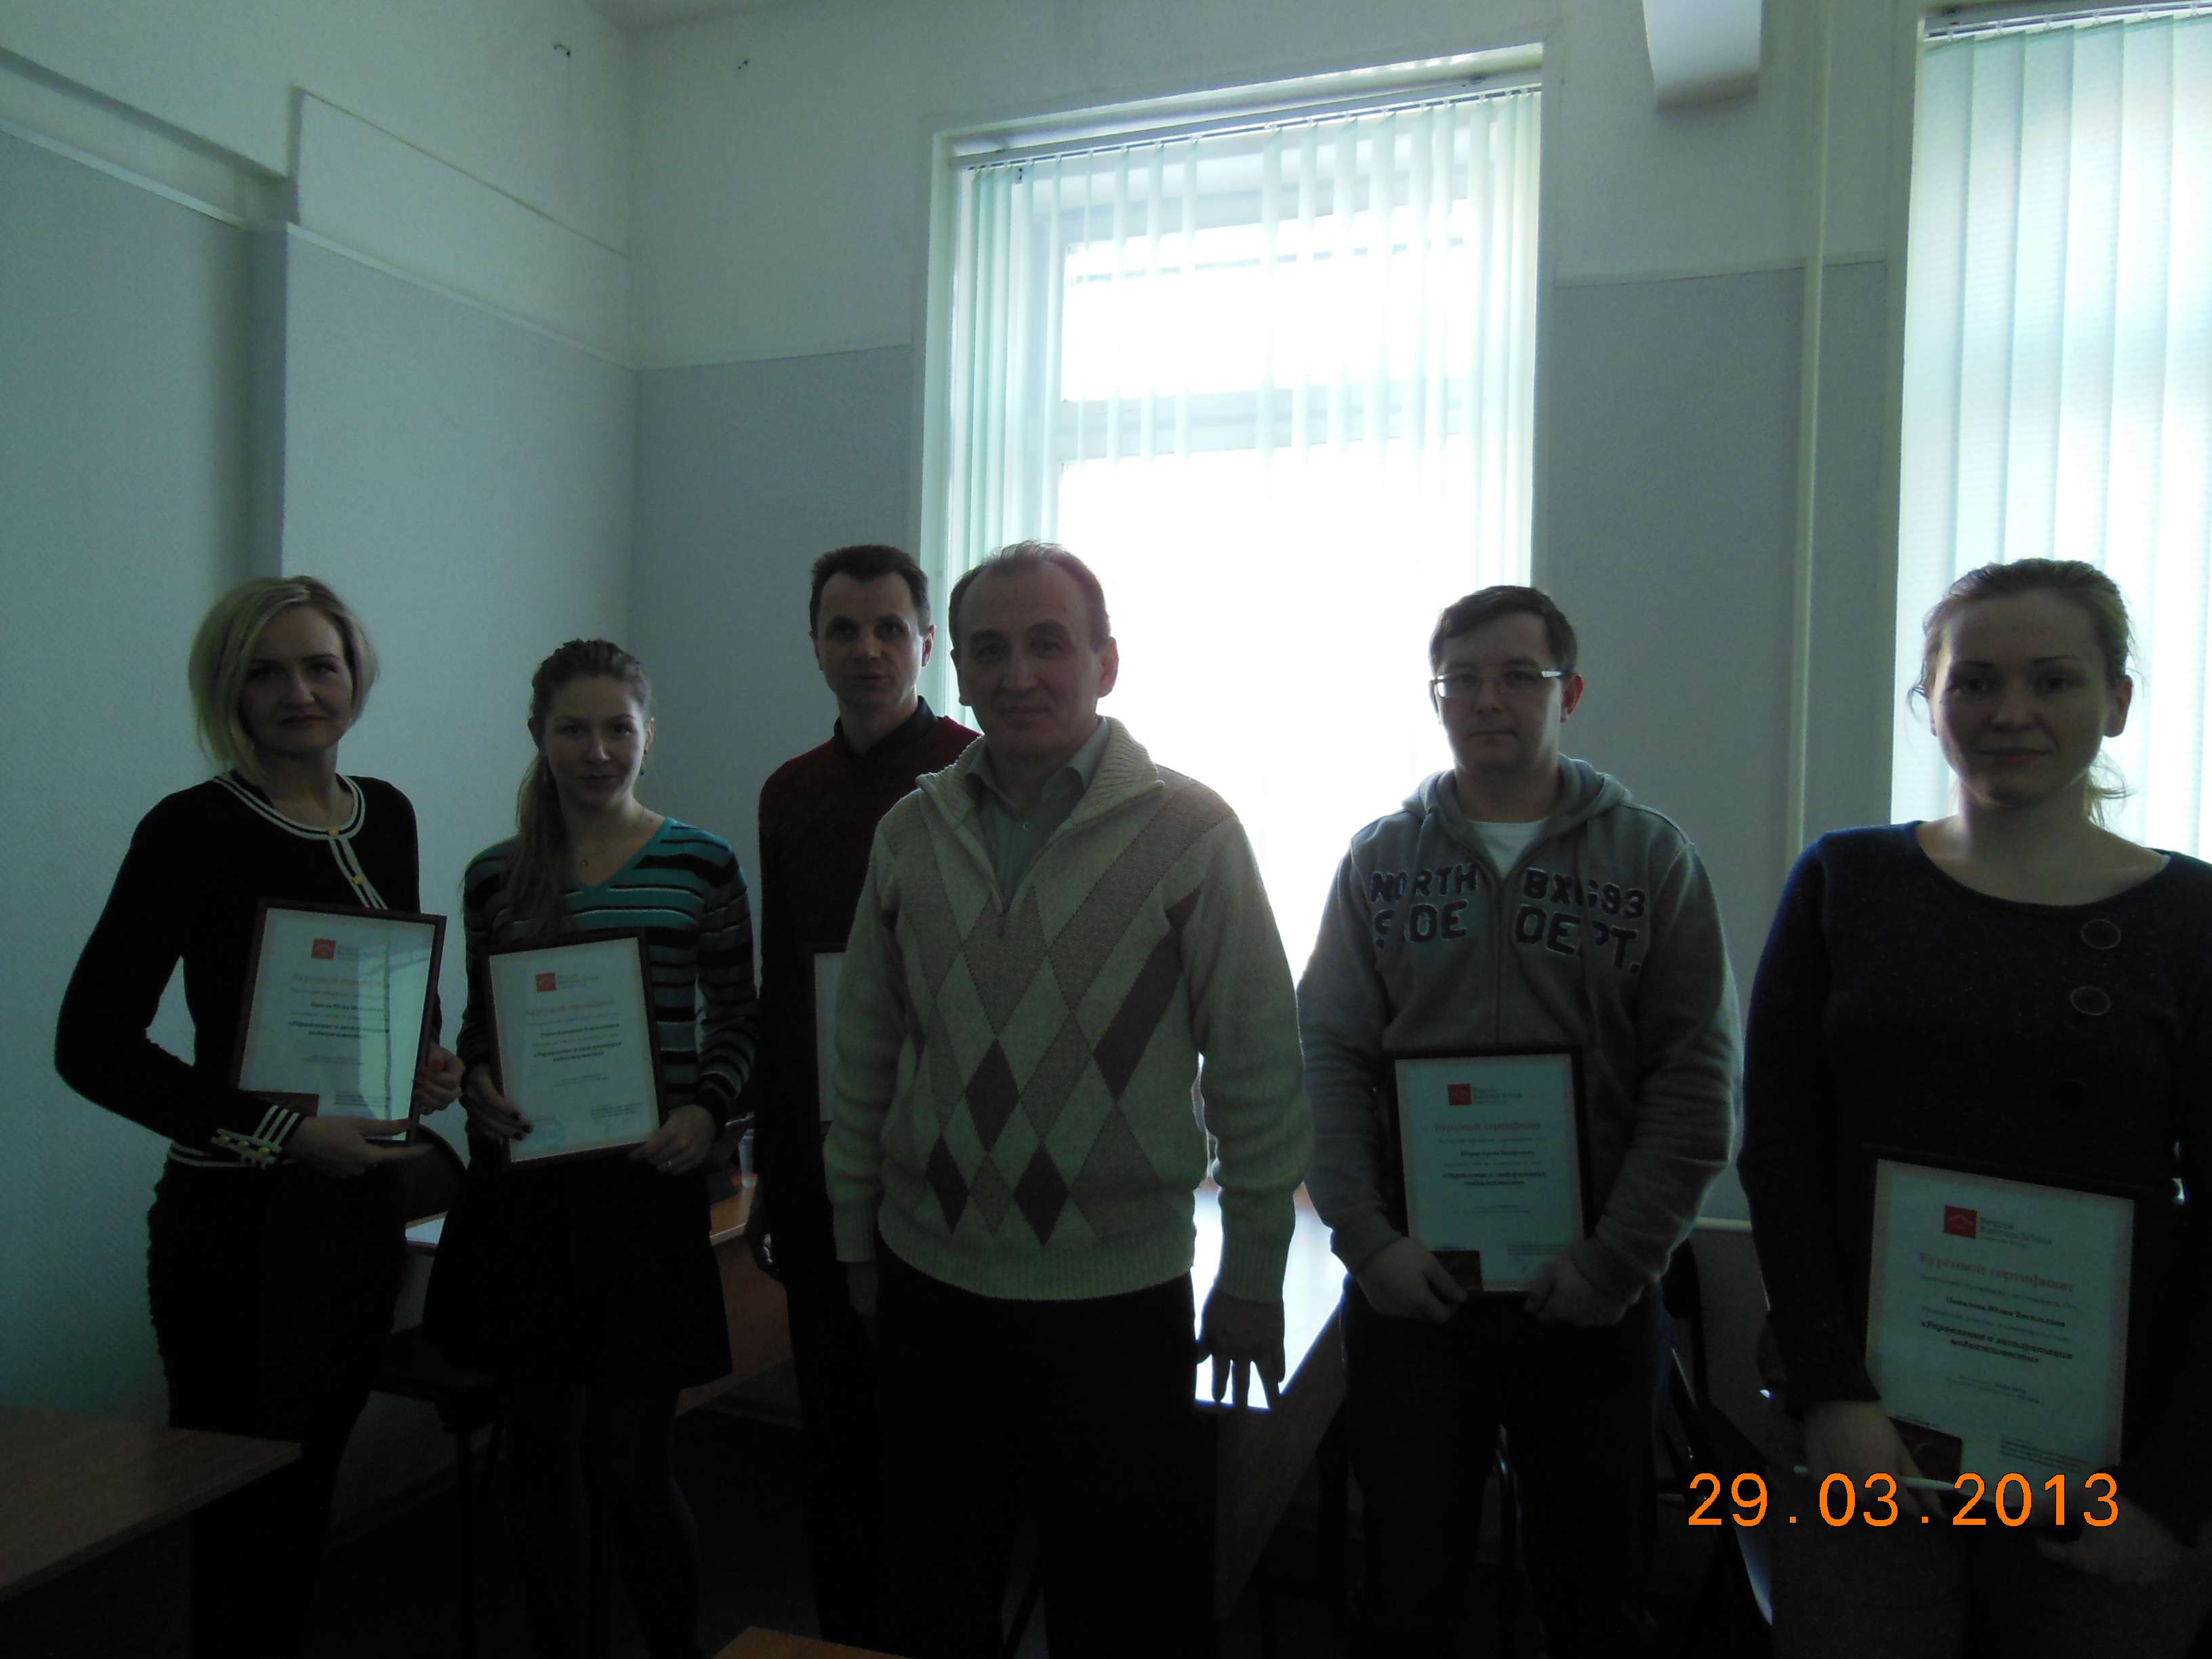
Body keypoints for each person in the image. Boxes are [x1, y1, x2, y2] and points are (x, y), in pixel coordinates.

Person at [821, 541, 1312, 1659]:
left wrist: (1253, 1274)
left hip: (1119, 1299)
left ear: (1107, 662)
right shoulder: (909, 835)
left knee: (1125, 1616)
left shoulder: (1193, 834)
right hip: (934, 1284)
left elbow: (1258, 1071)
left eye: (1049, 644)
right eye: (990, 650)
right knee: (935, 1604)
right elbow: (863, 1057)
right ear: (960, 671)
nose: (1019, 674)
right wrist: (856, 1241)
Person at [1740, 558, 2212, 1658]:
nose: (2011, 712)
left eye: (2054, 680)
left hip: (2107, 1467)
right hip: (1864, 1437)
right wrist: (1834, 1395)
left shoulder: (2192, 920)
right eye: (1976, 681)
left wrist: (2173, 1488)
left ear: (2117, 702)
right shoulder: (1844, 883)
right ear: (1930, 701)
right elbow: (1782, 1153)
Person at [1297, 584, 1739, 1658]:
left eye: (1517, 677)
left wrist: (1615, 1263)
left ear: (1569, 693)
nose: (1486, 700)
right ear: (1436, 698)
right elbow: (1327, 1062)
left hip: (1589, 1302)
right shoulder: (1379, 863)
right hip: (1417, 1298)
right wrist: (1370, 1246)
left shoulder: (1650, 860)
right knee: (1405, 1599)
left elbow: (1696, 1083)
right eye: (1462, 680)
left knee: (1596, 1602)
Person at [54, 575, 465, 1657]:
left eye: (320, 666)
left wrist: (421, 1070)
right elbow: (92, 1045)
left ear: (355, 676)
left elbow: (395, 998)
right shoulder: (190, 831)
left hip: (356, 1222)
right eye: (266, 672)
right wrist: (285, 1133)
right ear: (229, 691)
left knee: (306, 1506)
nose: (299, 692)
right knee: (243, 1524)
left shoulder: (388, 816)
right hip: (235, 1236)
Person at [424, 638, 758, 1659]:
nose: (598, 749)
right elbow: (482, 1028)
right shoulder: (494, 876)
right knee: (540, 1459)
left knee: (631, 1465)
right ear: (539, 735)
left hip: (646, 1192)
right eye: (574, 728)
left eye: (619, 728)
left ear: (650, 735)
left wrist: (707, 1113)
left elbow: (739, 1020)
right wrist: (479, 1087)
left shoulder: (702, 864)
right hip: (528, 1201)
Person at [745, 543, 975, 1646]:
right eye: (845, 629)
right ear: (814, 645)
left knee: (942, 1448)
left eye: (890, 628)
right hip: (821, 1165)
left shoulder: (979, 773)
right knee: (834, 1438)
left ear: (926, 644)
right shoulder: (788, 793)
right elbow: (781, 994)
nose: (868, 650)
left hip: (948, 1163)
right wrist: (772, 1171)